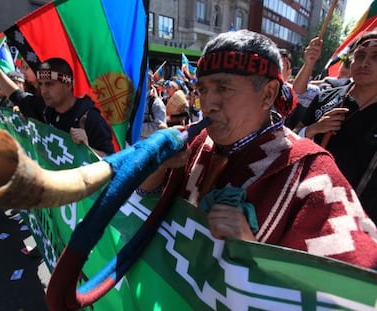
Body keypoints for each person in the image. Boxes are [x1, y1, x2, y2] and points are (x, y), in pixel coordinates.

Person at [139, 30, 377, 269]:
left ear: (268, 94)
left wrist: (253, 251)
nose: (208, 103)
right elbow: (145, 203)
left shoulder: (312, 173)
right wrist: (157, 166)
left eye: (223, 88)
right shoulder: (193, 141)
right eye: (202, 89)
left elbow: (352, 289)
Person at [0, 41, 114, 157]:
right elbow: (15, 94)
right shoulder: (46, 110)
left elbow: (114, 163)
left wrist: (88, 148)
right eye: (40, 84)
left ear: (68, 84)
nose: (44, 90)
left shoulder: (90, 118)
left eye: (50, 84)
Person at [295, 30, 377, 224]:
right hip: (306, 207)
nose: (364, 63)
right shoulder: (326, 97)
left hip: (359, 223)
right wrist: (313, 129)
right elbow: (291, 141)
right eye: (360, 55)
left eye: (375, 57)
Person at [141, 71, 167, 139]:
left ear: (151, 82)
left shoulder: (156, 103)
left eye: (144, 78)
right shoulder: (131, 99)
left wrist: (135, 127)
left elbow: (159, 128)